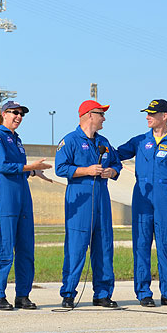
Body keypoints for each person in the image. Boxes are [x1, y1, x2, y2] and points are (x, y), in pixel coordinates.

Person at [117, 99, 167, 308]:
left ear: (165, 116)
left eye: (152, 114)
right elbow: (116, 154)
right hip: (142, 198)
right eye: (147, 113)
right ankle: (143, 293)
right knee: (141, 246)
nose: (147, 117)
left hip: (165, 199)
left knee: (165, 246)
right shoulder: (140, 141)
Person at [55, 100, 122, 309]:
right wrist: (86, 170)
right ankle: (68, 293)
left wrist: (112, 172)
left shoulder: (104, 141)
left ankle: (102, 294)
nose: (104, 117)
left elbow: (116, 163)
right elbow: (60, 168)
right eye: (101, 113)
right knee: (76, 248)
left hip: (102, 199)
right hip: (80, 200)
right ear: (89, 115)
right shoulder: (71, 140)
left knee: (103, 247)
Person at [0, 100, 53, 311]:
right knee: (6, 247)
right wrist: (28, 166)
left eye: (21, 114)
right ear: (4, 114)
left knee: (26, 247)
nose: (18, 117)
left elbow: (19, 167)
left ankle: (23, 295)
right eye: (14, 113)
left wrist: (34, 172)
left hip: (23, 193)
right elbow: (0, 166)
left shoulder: (17, 139)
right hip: (7, 194)